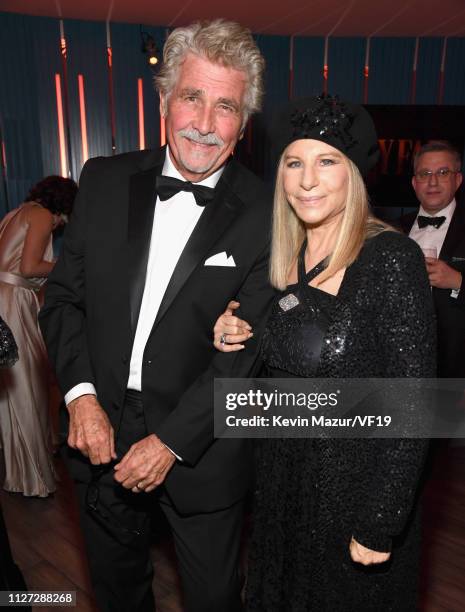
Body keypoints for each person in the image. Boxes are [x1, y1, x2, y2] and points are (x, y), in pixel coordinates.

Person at [39, 20, 276, 612]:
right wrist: (81, 397)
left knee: (215, 597)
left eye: (225, 106)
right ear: (165, 100)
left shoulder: (270, 212)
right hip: (97, 426)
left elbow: (250, 351)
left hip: (203, 441)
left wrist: (170, 442)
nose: (204, 121)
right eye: (192, 96)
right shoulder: (103, 179)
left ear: (243, 123)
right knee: (117, 589)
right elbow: (64, 298)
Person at [213, 95, 436, 610]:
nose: (306, 180)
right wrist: (235, 327)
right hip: (282, 489)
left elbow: (415, 404)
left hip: (352, 498)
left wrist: (381, 520)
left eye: (326, 161)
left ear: (354, 174)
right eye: (294, 162)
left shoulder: (390, 259)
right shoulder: (283, 256)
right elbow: (286, 354)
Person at [0, 176, 76, 497]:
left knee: (11, 390)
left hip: (5, 297)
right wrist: (66, 265)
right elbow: (31, 267)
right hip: (13, 301)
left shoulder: (17, 212)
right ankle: (31, 477)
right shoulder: (42, 215)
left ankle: (19, 471)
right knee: (27, 386)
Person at [399, 141, 464, 377]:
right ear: (415, 183)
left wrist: (458, 281)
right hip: (398, 364)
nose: (433, 181)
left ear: (457, 180)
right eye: (425, 174)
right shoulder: (391, 230)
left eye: (442, 173)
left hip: (455, 368)